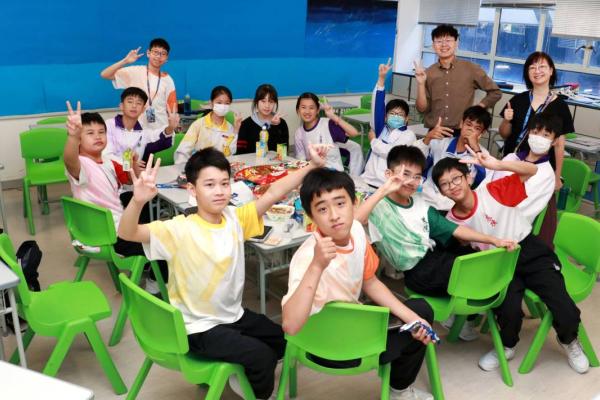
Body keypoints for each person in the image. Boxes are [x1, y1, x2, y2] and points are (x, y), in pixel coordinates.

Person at [117, 143, 332, 400]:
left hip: (232, 316)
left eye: (224, 183)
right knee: (262, 357)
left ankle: (237, 374)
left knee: (283, 341)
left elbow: (274, 192)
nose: (219, 191)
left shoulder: (234, 218)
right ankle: (255, 394)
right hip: (197, 328)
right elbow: (127, 233)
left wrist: (312, 165)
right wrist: (137, 201)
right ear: (192, 190)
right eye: (209, 185)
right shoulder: (178, 229)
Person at [282, 168, 435, 400]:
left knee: (418, 312)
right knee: (423, 310)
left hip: (340, 335)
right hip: (324, 350)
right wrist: (316, 266)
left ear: (353, 203)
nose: (334, 215)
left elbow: (370, 282)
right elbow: (290, 326)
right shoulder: (307, 258)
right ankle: (399, 391)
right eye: (322, 209)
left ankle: (400, 385)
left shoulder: (355, 230)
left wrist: (412, 319)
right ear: (311, 217)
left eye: (340, 203)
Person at [432, 153, 589, 375]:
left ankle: (569, 340)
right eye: (445, 184)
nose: (452, 186)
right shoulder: (451, 221)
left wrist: (498, 164)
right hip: (498, 263)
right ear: (441, 191)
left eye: (456, 178)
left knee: (562, 303)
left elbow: (532, 171)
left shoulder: (493, 191)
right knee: (508, 311)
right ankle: (507, 346)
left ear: (468, 178)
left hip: (528, 251)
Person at [356, 145, 516, 294]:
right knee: (475, 272)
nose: (411, 181)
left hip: (435, 256)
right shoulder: (377, 205)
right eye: (405, 174)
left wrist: (494, 240)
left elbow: (456, 229)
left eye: (417, 177)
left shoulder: (419, 204)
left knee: (478, 258)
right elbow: (356, 222)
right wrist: (383, 190)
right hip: (417, 271)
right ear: (389, 174)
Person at [62, 101, 168, 290]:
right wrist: (72, 136)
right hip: (111, 235)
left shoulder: (108, 161)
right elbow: (69, 160)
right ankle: (155, 285)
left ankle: (146, 258)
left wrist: (134, 167)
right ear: (79, 140)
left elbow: (128, 180)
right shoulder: (81, 164)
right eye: (89, 133)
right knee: (164, 241)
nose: (97, 136)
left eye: (101, 132)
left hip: (111, 224)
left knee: (133, 198)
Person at [498, 51, 573, 193]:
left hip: (540, 167)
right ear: (527, 73)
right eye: (532, 67)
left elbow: (559, 145)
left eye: (542, 66)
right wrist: (506, 121)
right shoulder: (517, 100)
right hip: (512, 162)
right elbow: (504, 134)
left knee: (531, 202)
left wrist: (557, 176)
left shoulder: (560, 106)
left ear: (551, 71)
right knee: (505, 200)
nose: (537, 71)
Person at [488, 114, 562, 247]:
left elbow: (520, 206)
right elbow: (488, 186)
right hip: (487, 216)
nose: (539, 138)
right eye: (535, 132)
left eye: (545, 135)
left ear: (554, 141)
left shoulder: (546, 174)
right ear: (528, 133)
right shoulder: (511, 158)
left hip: (507, 231)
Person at [414, 24, 501, 130]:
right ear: (433, 46)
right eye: (439, 41)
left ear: (456, 43)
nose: (444, 45)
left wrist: (479, 107)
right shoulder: (428, 73)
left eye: (448, 40)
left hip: (461, 132)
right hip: (435, 131)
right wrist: (421, 84)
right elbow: (422, 109)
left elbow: (495, 92)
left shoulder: (471, 68)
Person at [413, 106, 492, 210]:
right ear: (461, 123)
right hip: (427, 199)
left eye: (477, 128)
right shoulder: (441, 143)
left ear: (482, 133)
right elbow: (413, 159)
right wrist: (428, 138)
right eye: (468, 124)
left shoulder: (484, 154)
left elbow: (484, 184)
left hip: (454, 206)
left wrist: (476, 150)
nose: (470, 130)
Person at [361, 59, 417, 188]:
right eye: (392, 113)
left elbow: (392, 153)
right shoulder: (380, 129)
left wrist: (373, 141)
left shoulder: (409, 135)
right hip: (368, 180)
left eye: (400, 114)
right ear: (385, 117)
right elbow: (377, 105)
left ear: (407, 119)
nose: (396, 116)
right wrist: (381, 79)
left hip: (389, 184)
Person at [100, 38, 177, 130]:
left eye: (163, 54)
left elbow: (172, 107)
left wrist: (171, 128)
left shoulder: (168, 80)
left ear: (166, 58)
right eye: (155, 52)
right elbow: (105, 74)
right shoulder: (134, 72)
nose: (158, 56)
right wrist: (125, 61)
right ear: (148, 53)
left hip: (160, 129)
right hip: (136, 130)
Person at [104, 87, 178, 175]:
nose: (134, 106)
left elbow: (157, 136)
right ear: (122, 106)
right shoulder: (109, 125)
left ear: (143, 109)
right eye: (130, 102)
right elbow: (106, 155)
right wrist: (129, 164)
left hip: (133, 177)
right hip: (111, 175)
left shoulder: (143, 130)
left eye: (139, 103)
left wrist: (170, 128)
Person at [175, 85, 243, 164]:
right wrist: (187, 168)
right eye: (219, 102)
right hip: (200, 166)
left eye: (227, 103)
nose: (223, 106)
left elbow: (231, 153)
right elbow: (182, 152)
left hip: (221, 167)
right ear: (211, 103)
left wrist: (236, 130)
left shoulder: (229, 127)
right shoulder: (198, 125)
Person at [294, 92, 360, 172]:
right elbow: (301, 161)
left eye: (311, 108)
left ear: (317, 110)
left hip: (334, 172)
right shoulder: (299, 133)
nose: (307, 111)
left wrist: (333, 117)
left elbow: (354, 133)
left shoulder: (328, 124)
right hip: (314, 172)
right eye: (303, 107)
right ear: (298, 110)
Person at [237, 84, 289, 154]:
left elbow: (283, 153)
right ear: (256, 102)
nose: (267, 106)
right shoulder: (246, 124)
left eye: (271, 102)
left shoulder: (281, 123)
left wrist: (275, 127)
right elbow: (240, 153)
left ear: (275, 103)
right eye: (263, 101)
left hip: (275, 161)